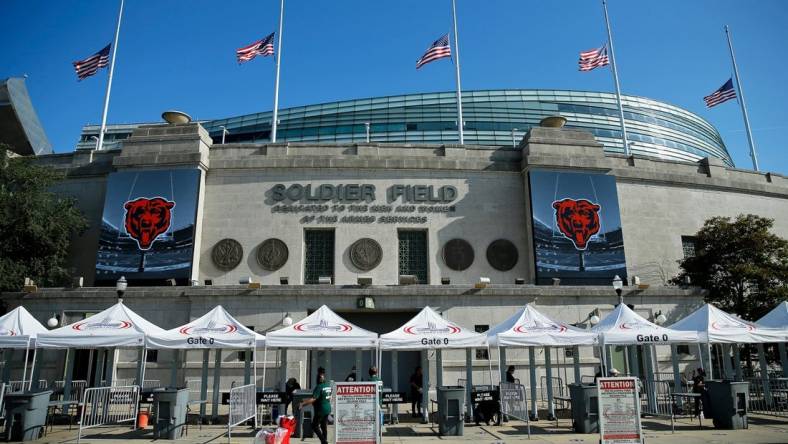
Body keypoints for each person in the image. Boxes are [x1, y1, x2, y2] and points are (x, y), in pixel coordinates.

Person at [299, 369, 332, 444]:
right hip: (327, 408)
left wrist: (303, 403)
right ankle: (325, 440)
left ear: (318, 378)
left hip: (321, 409)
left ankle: (324, 441)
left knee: (314, 425)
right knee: (324, 426)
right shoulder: (327, 385)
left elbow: (313, 399)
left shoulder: (319, 387)